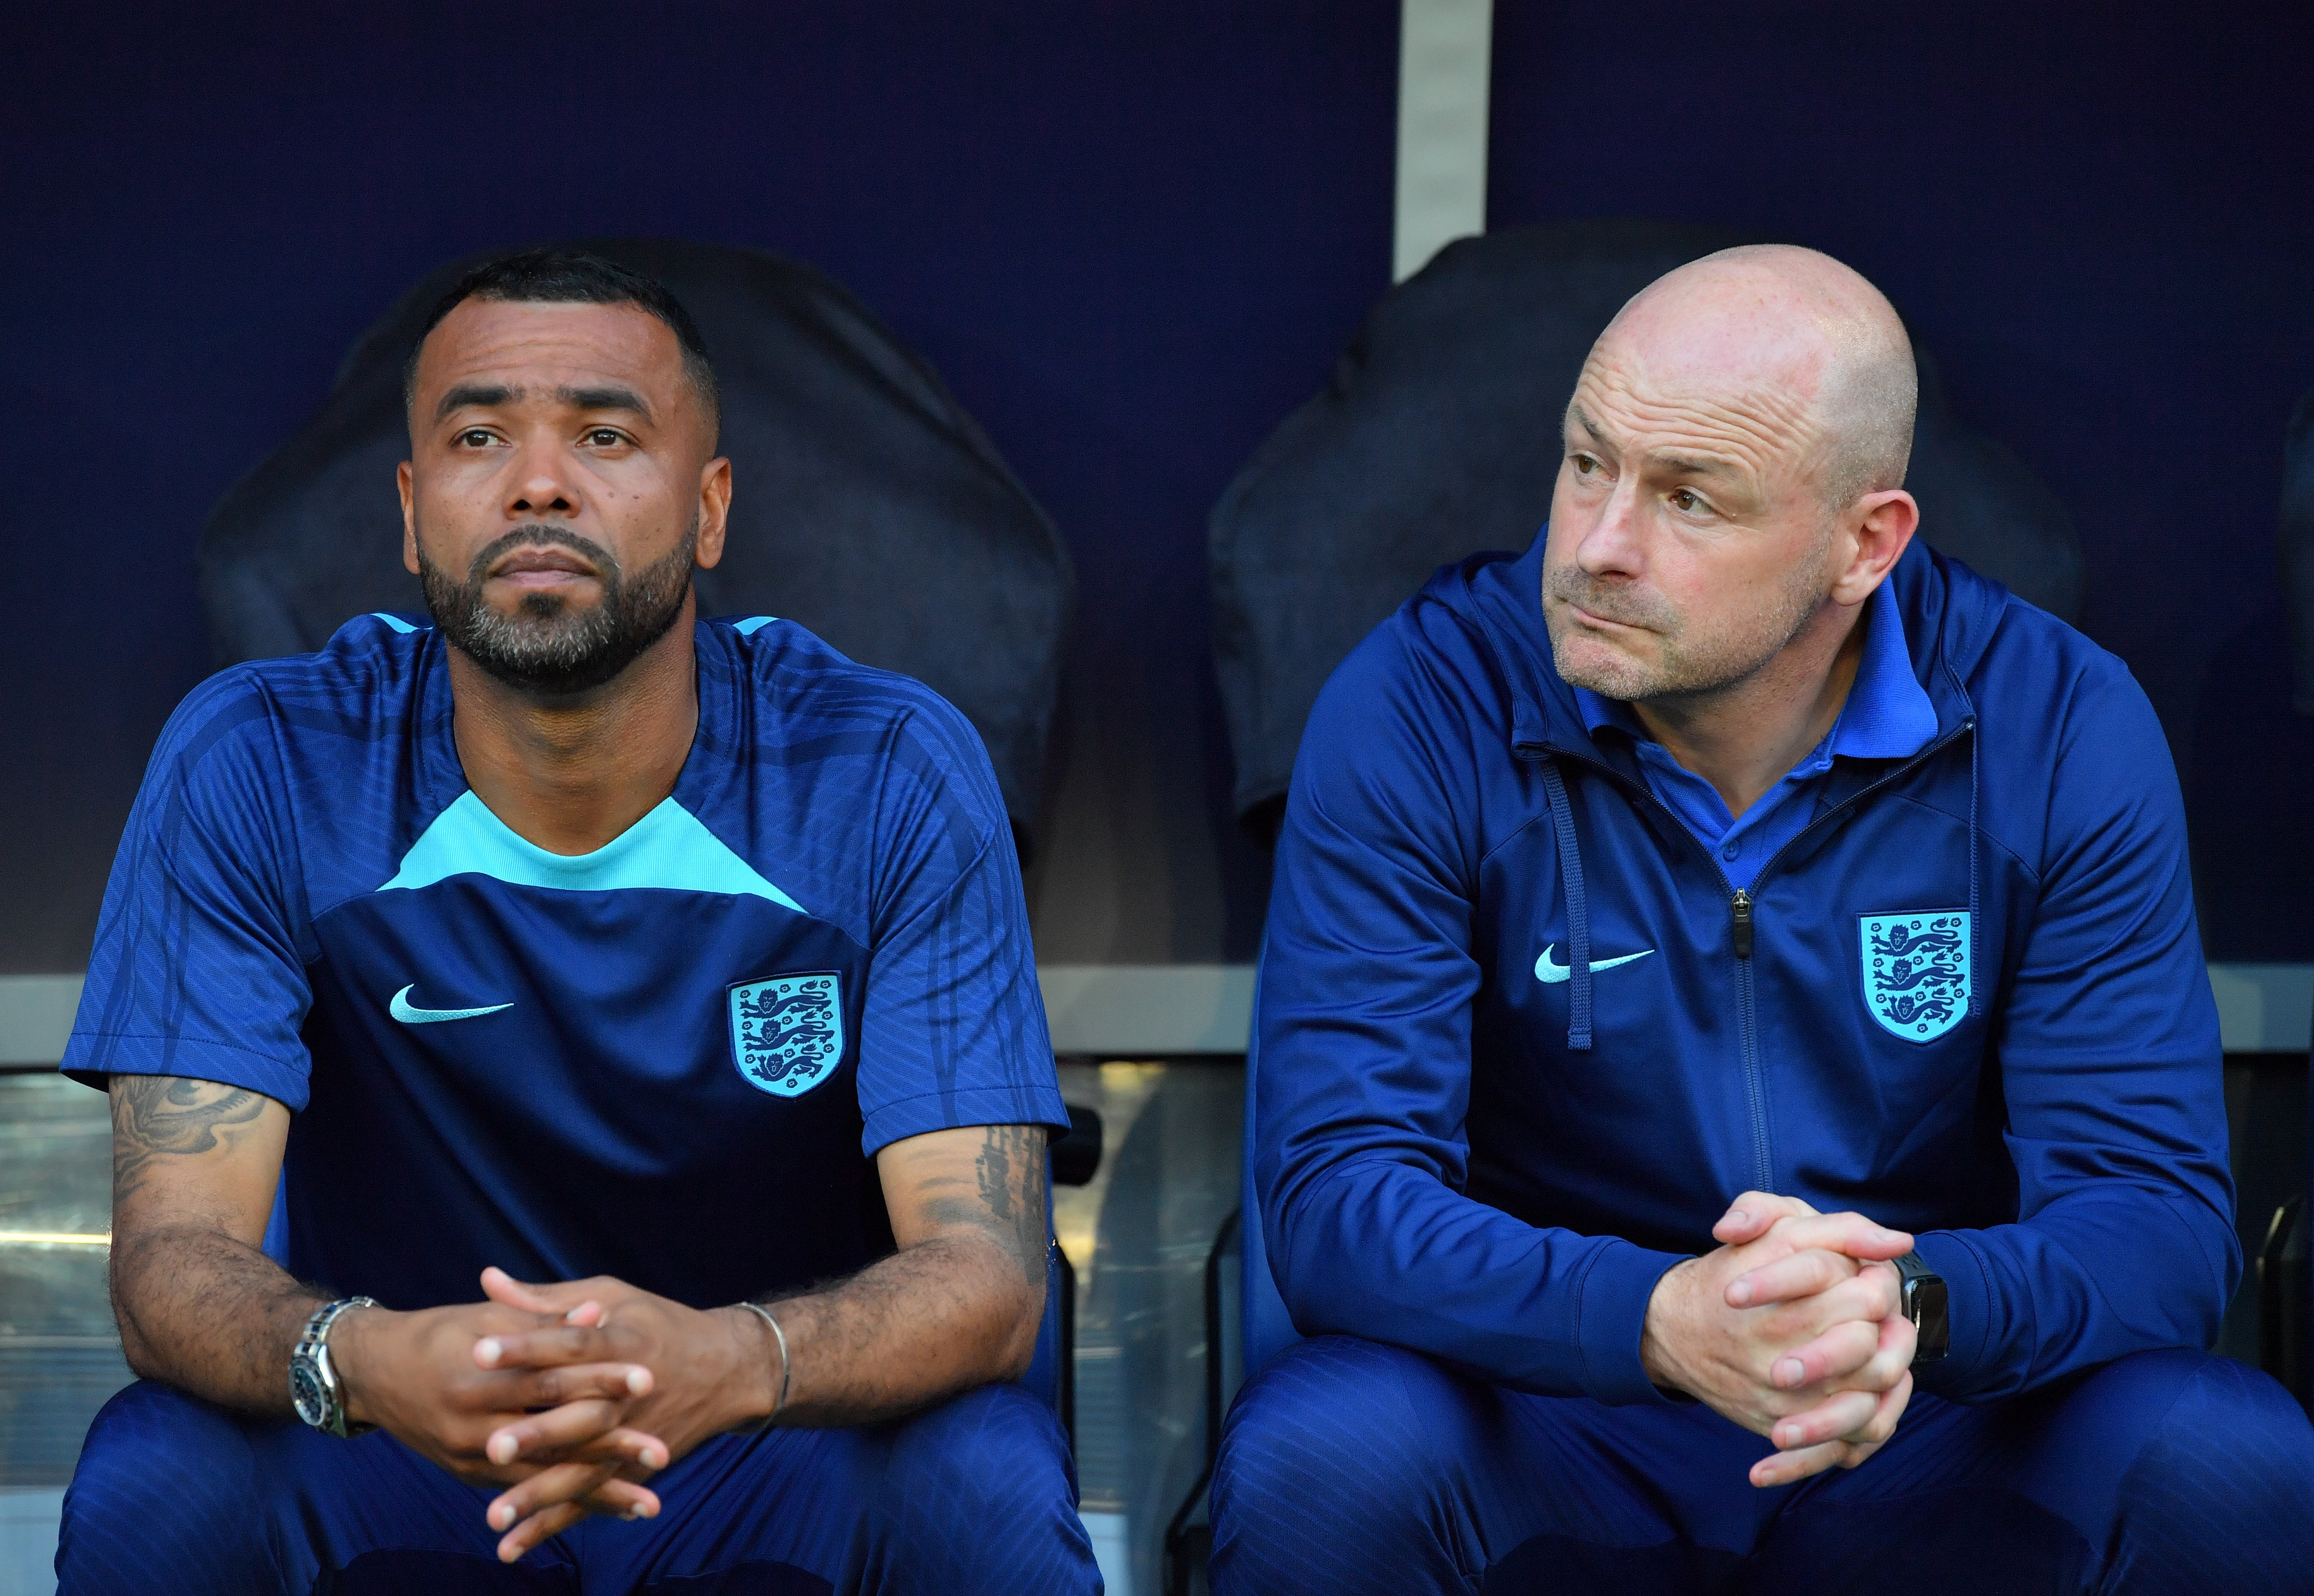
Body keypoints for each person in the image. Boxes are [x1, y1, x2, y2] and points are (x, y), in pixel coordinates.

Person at [1211, 245, 2314, 1593]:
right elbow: (1339, 1198)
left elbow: (2155, 1220)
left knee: (2230, 1458)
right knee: (1326, 1460)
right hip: (1560, 1406)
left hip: (1921, 1409)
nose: (1600, 546)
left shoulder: (2058, 723)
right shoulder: (1419, 707)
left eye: (1690, 498)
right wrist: (1659, 1319)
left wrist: (1906, 1308)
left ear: (1868, 543)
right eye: (1585, 463)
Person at [56, 250, 1098, 1594]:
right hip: (410, 1431)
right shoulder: (261, 758)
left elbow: (989, 1273)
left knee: (986, 1479)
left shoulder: (885, 767)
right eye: (480, 436)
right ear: (412, 512)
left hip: (765, 1433)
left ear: (710, 508)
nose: (539, 483)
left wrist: (737, 1361)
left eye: (606, 435)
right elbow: (169, 1260)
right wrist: (370, 1359)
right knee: (162, 1475)